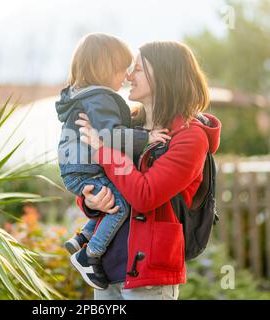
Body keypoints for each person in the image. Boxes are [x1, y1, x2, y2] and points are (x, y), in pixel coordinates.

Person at [75, 41, 222, 300]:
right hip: (105, 271)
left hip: (148, 279)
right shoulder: (123, 126)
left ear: (165, 75)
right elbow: (93, 175)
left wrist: (102, 151)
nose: (129, 75)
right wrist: (89, 199)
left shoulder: (190, 138)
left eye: (139, 69)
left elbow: (145, 194)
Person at [56, 33, 170, 290]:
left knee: (112, 195)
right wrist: (147, 136)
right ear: (106, 69)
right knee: (119, 204)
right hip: (85, 167)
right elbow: (110, 135)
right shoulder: (101, 98)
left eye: (134, 69)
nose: (126, 76)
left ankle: (82, 236)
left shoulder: (85, 96)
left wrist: (88, 201)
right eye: (122, 69)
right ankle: (89, 254)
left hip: (77, 168)